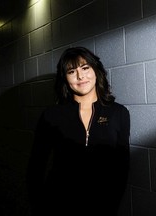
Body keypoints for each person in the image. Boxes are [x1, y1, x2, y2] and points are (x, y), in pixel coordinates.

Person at [28, 47, 130, 216]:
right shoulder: (51, 115)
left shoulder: (118, 113)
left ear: (96, 70)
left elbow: (122, 167)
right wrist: (38, 206)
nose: (80, 76)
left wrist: (111, 207)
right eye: (71, 71)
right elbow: (36, 166)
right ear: (65, 78)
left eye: (85, 68)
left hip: (102, 207)